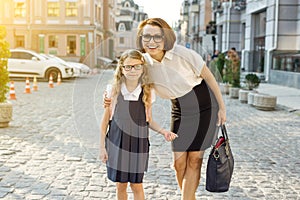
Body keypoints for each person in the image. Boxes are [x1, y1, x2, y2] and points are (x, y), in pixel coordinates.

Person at [105, 18, 226, 200]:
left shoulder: (184, 54)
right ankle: (188, 196)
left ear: (166, 37)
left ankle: (186, 198)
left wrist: (222, 107)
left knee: (194, 160)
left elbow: (209, 78)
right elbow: (125, 74)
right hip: (178, 108)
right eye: (147, 37)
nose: (151, 42)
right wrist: (108, 95)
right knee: (179, 163)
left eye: (157, 37)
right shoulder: (143, 62)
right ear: (141, 38)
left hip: (204, 106)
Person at [99, 49, 178, 200]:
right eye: (128, 66)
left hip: (138, 143)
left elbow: (149, 120)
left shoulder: (147, 91)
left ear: (143, 68)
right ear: (121, 69)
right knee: (120, 185)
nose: (132, 70)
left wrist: (163, 132)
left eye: (136, 66)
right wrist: (102, 148)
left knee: (136, 185)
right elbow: (105, 122)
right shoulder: (113, 91)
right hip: (117, 142)